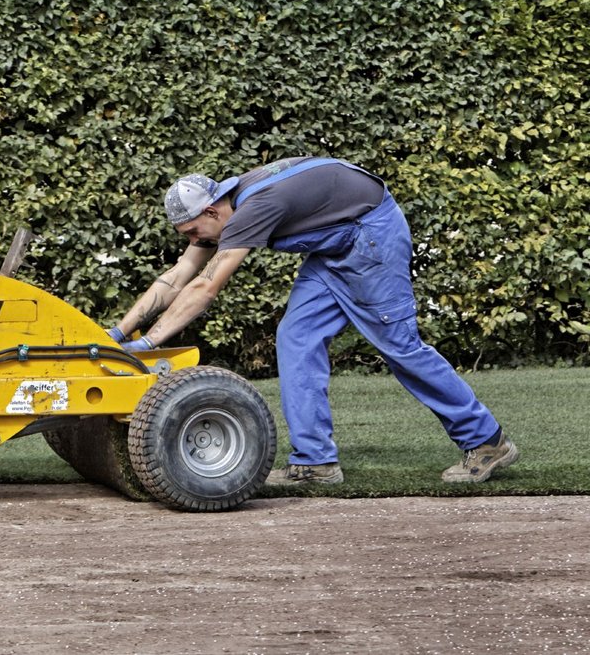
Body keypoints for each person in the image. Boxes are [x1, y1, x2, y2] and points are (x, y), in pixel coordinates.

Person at [107, 156, 518, 485]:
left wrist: (150, 343)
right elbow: (178, 276)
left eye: (193, 232)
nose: (193, 241)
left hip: (370, 235)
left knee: (400, 347)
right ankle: (315, 462)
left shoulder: (255, 207)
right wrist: (119, 334)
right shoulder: (224, 211)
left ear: (212, 211)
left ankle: (486, 441)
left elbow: (204, 288)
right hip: (334, 246)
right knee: (296, 337)